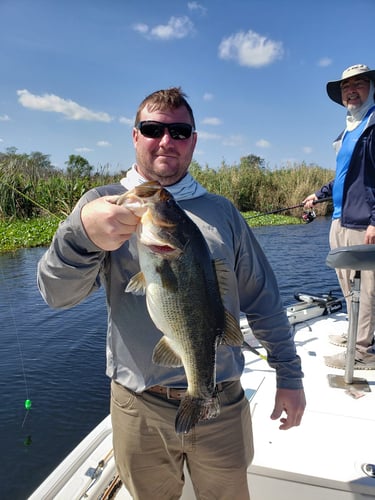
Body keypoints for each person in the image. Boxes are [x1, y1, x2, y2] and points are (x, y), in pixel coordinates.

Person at [37, 87, 306, 500]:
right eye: (153, 129)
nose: (167, 140)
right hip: (138, 406)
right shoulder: (100, 205)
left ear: (193, 141)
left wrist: (289, 374)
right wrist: (81, 234)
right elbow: (57, 295)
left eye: (180, 131)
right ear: (135, 136)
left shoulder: (223, 212)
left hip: (222, 399)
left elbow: (263, 299)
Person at [303, 64, 375, 370]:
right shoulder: (349, 130)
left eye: (358, 84)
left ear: (371, 88)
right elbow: (345, 177)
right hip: (340, 218)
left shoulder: (373, 125)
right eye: (346, 87)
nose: (352, 90)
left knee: (368, 287)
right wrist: (318, 195)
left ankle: (363, 352)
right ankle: (356, 333)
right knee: (349, 286)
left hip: (364, 221)